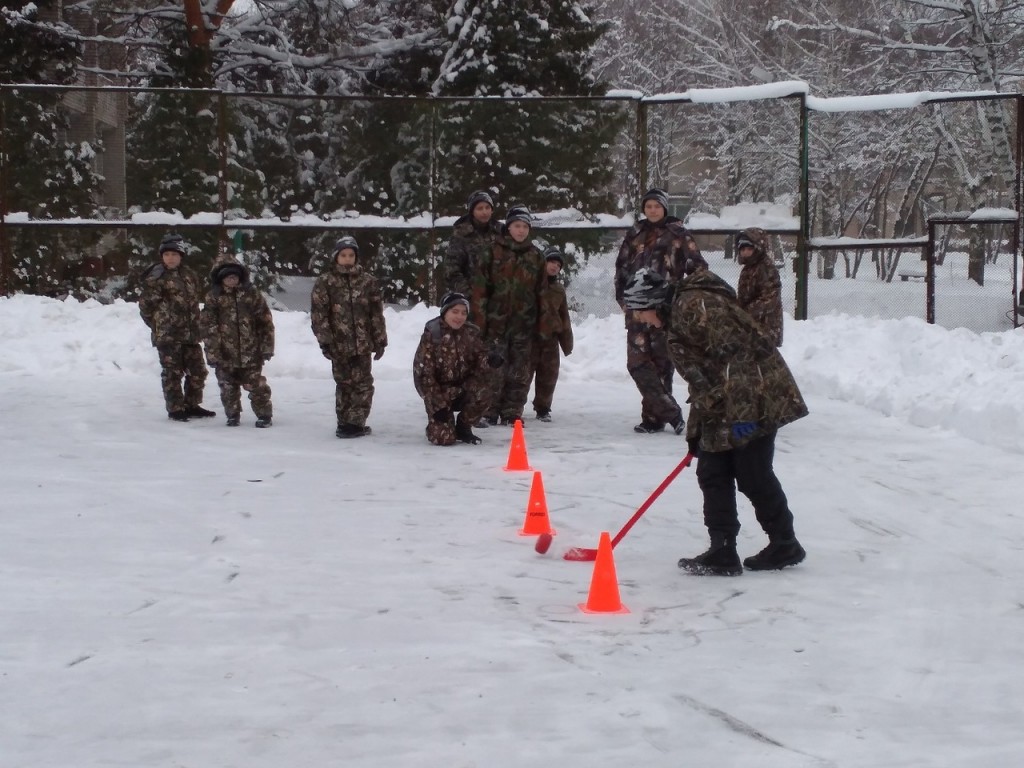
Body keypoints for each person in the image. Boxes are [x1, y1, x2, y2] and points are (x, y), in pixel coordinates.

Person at [622, 266, 808, 576]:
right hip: (728, 401)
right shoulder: (678, 314)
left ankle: (784, 543)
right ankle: (722, 550)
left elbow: (740, 359)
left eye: (640, 311)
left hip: (755, 397)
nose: (640, 319)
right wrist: (699, 428)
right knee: (712, 469)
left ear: (653, 302)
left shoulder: (696, 307)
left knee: (752, 473)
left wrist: (743, 418)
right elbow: (703, 379)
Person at [614, 187, 705, 435]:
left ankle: (653, 418)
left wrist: (684, 299)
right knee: (637, 364)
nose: (652, 210)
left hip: (665, 311)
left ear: (665, 207)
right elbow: (621, 268)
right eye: (648, 206)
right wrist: (623, 299)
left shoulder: (678, 234)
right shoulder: (635, 234)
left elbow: (698, 268)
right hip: (636, 310)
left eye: (657, 206)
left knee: (662, 364)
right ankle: (671, 413)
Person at [472, 204, 545, 425]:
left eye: (524, 226)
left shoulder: (535, 256)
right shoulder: (491, 252)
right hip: (496, 324)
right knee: (493, 367)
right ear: (508, 227)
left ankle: (513, 411)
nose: (521, 230)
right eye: (516, 225)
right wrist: (479, 322)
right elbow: (479, 289)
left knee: (520, 371)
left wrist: (542, 325)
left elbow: (542, 292)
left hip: (524, 324)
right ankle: (488, 410)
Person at [310, 236, 388, 439]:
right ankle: (344, 422)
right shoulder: (325, 282)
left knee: (362, 383)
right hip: (339, 344)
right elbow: (319, 314)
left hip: (362, 344)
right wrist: (325, 340)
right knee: (344, 383)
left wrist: (380, 339)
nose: (347, 259)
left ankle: (356, 422)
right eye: (343, 255)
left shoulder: (367, 281)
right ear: (336, 257)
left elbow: (375, 313)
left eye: (351, 255)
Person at [138, 233, 215, 422]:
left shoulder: (189, 275)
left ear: (181, 256)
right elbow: (146, 306)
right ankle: (175, 408)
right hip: (168, 334)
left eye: (174, 254)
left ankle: (192, 404)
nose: (170, 258)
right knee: (172, 372)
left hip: (190, 333)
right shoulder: (156, 276)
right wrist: (159, 324)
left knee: (198, 371)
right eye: (166, 255)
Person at [413, 292, 501, 446]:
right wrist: (437, 406)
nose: (459, 317)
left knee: (489, 383)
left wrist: (490, 360)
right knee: (444, 439)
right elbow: (424, 375)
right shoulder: (432, 334)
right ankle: (440, 424)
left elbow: (480, 360)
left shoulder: (471, 333)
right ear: (445, 311)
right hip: (440, 393)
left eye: (463, 313)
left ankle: (464, 426)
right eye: (455, 312)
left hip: (464, 388)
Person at [200, 259, 275, 428]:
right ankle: (232, 414)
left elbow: (265, 322)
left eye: (235, 277)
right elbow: (207, 327)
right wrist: (212, 353)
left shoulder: (252, 295)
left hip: (251, 352)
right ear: (220, 279)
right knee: (228, 387)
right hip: (224, 354)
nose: (231, 280)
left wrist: (266, 347)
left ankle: (264, 414)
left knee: (257, 385)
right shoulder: (214, 298)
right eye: (227, 277)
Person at [530, 246, 573, 422]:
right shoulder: (530, 284)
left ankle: (543, 408)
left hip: (550, 338)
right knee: (522, 375)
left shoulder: (558, 290)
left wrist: (566, 341)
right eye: (551, 262)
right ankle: (511, 408)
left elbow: (564, 316)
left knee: (549, 375)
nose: (554, 266)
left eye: (558, 264)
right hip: (530, 337)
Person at [444, 189, 503, 297]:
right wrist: (470, 294)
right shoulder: (461, 235)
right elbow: (452, 272)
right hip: (471, 297)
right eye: (480, 208)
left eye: (487, 207)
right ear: (472, 211)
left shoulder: (500, 232)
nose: (484, 212)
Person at [735, 227, 784, 347]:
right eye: (743, 249)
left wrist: (744, 313)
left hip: (765, 326)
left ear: (757, 248)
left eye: (749, 249)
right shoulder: (749, 267)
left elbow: (769, 298)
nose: (745, 252)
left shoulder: (765, 268)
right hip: (751, 325)